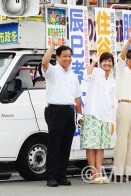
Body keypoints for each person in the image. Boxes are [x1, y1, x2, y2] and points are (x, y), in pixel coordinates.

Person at [42, 32, 83, 187]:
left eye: (69, 56)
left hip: (69, 111)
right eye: (64, 56)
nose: (67, 59)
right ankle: (51, 176)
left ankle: (61, 175)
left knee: (66, 145)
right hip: (55, 111)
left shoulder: (73, 75)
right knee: (54, 145)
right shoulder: (52, 71)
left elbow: (77, 97)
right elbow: (44, 62)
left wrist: (80, 114)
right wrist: (52, 46)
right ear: (58, 57)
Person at [80, 52, 115, 184]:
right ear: (100, 63)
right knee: (91, 145)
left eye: (110, 61)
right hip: (93, 113)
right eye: (104, 61)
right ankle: (93, 173)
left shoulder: (112, 79)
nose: (107, 63)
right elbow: (86, 76)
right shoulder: (95, 72)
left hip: (105, 115)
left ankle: (99, 173)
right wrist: (93, 62)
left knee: (101, 146)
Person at [113, 26, 131, 182]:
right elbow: (121, 57)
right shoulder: (122, 71)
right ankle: (118, 172)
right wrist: (130, 40)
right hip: (123, 105)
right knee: (122, 140)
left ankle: (128, 171)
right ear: (129, 59)